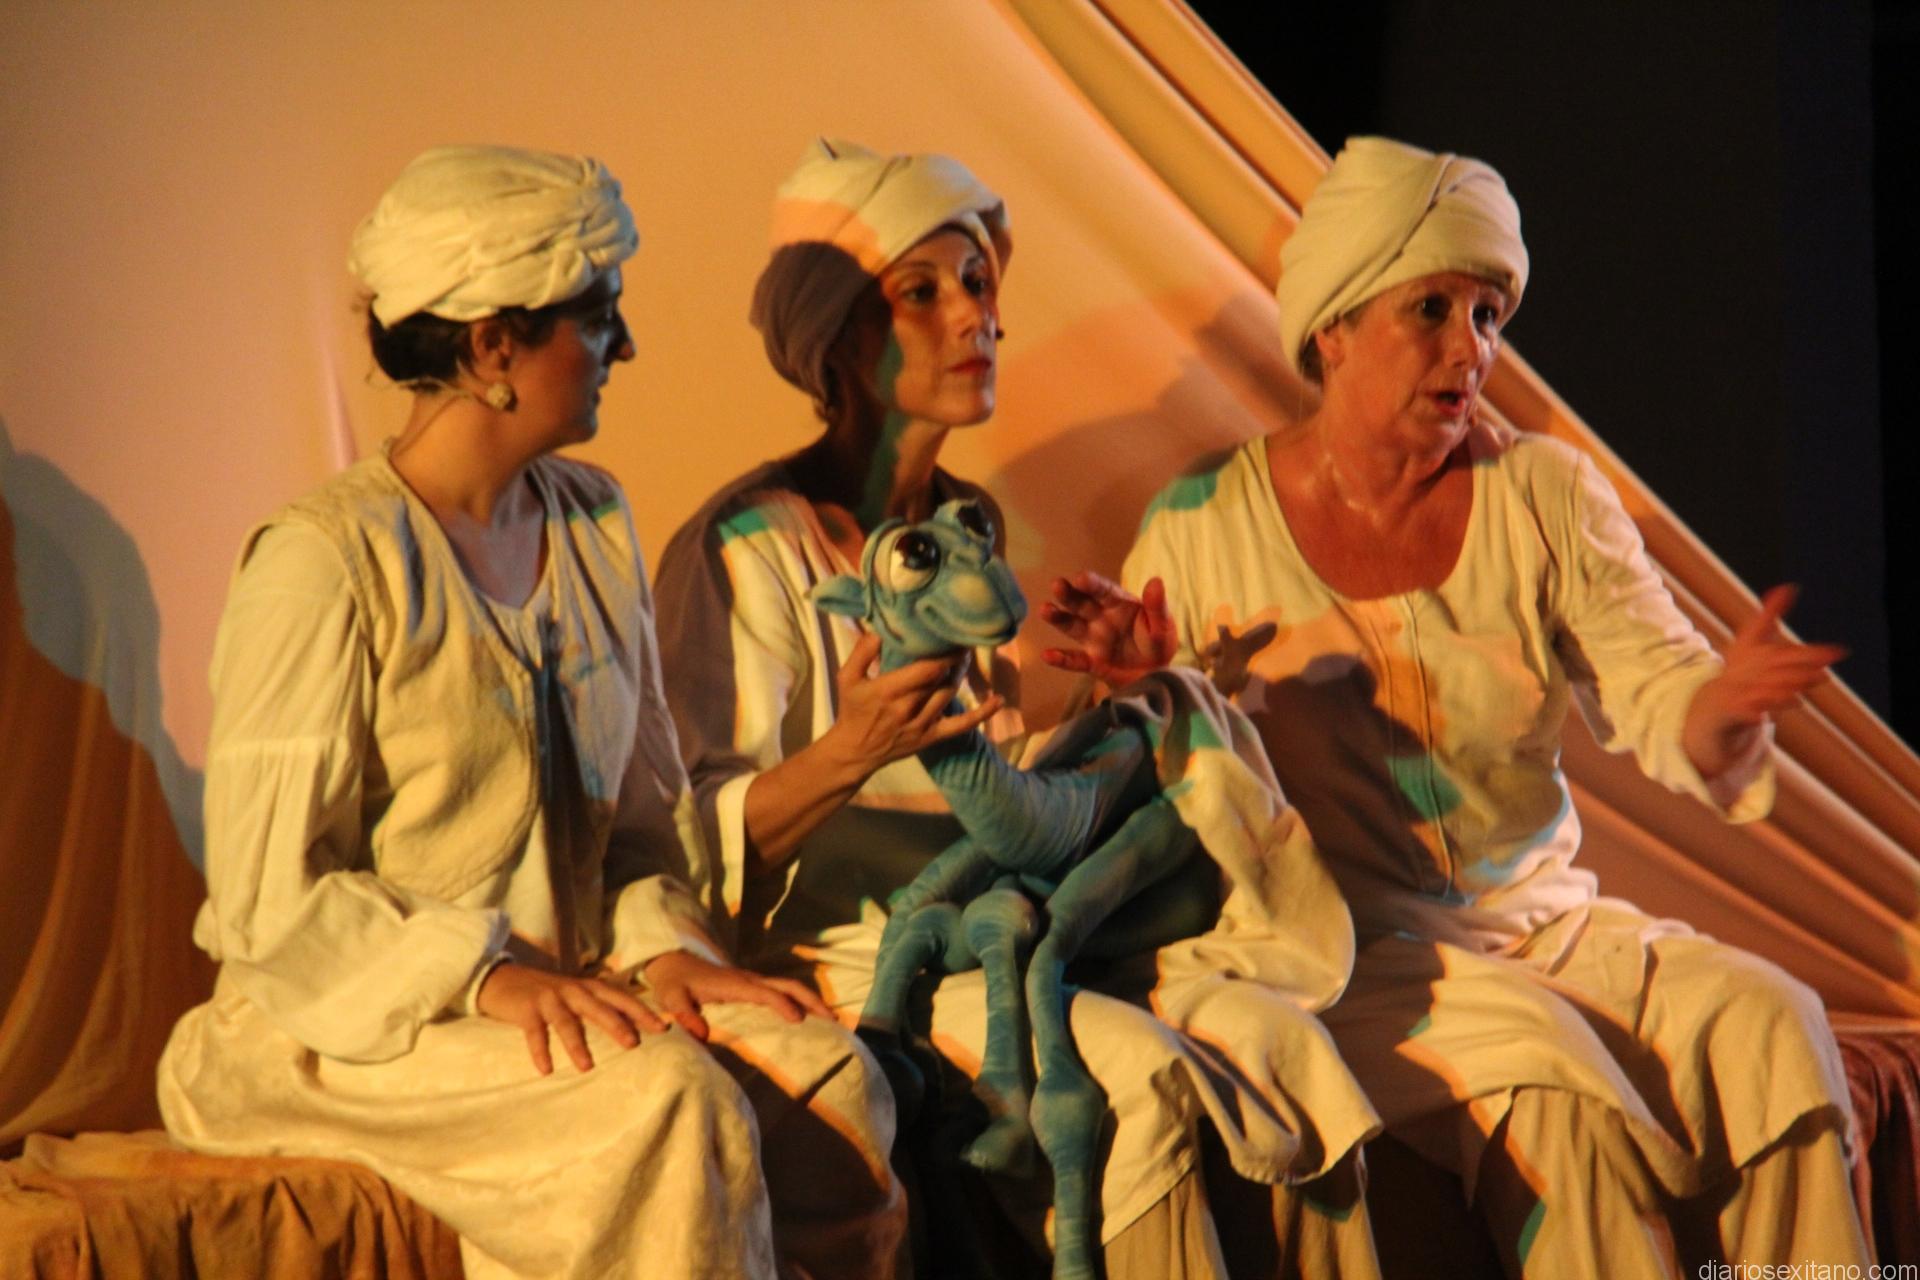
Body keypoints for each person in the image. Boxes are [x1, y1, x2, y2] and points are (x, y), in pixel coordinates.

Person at [1049, 135, 1866, 1274]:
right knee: (1558, 1092)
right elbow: (1143, 787)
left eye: (1488, 314)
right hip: (1353, 955)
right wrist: (1142, 685)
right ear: (1334, 327)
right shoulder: (1204, 522)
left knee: (1776, 1024)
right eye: (1431, 309)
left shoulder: (1544, 492)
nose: (1470, 347)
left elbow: (1660, 685)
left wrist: (1721, 707)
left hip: (1547, 926)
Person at [155, 145, 903, 1280]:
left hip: (569, 982)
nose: (626, 345)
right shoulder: (325, 561)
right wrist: (481, 974)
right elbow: (269, 899)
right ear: (493, 345)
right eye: (597, 316)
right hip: (348, 1021)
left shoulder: (593, 522)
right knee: (668, 1101)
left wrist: (665, 951)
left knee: (833, 1078)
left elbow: (641, 827)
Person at [653, 138, 1383, 1279]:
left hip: (1013, 912)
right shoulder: (746, 546)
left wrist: (1122, 689)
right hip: (847, 952)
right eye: (921, 292)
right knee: (1136, 1079)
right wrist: (851, 748)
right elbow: (685, 836)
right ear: (837, 338)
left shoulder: (965, 521)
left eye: (978, 281)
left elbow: (984, 777)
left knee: (1284, 1044)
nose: (975, 317)